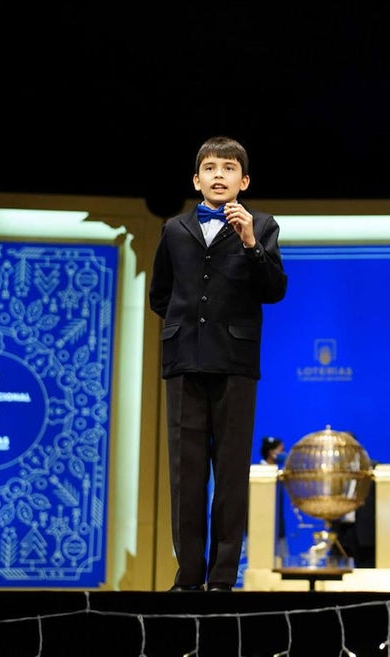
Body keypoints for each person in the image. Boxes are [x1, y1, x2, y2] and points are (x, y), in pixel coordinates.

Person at [149, 136, 289, 592]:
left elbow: (273, 289)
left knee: (230, 474)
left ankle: (223, 577)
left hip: (235, 363)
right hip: (185, 362)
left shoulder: (263, 226)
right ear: (196, 179)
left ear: (243, 180)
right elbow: (160, 295)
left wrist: (250, 242)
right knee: (186, 475)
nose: (218, 175)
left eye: (228, 168)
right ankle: (188, 575)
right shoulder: (174, 229)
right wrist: (184, 329)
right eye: (209, 168)